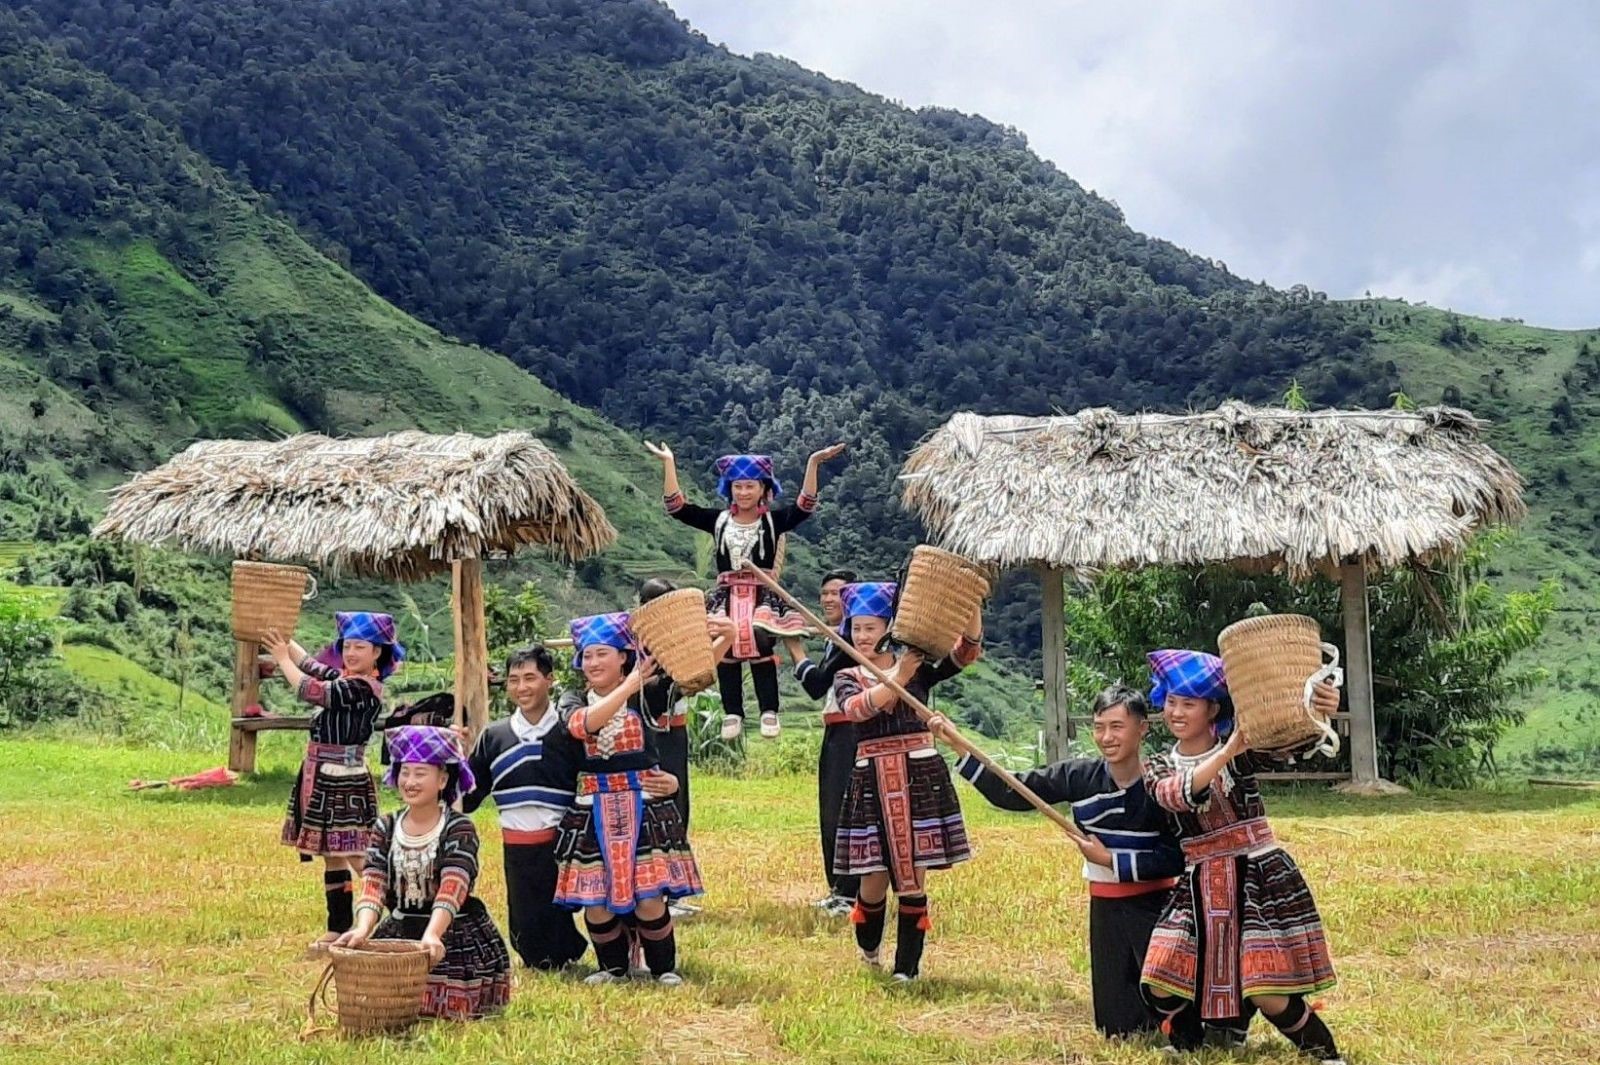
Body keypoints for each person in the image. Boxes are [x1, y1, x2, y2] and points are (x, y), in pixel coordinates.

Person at [936, 685, 1183, 1037]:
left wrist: (1111, 859)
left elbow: (1176, 856)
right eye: (1099, 727)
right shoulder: (1078, 777)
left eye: (1117, 726)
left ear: (1142, 728)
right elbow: (1014, 791)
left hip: (1157, 908)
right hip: (1106, 909)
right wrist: (959, 745)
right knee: (1116, 1028)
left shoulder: (1163, 782)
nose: (1106, 737)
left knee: (1173, 1016)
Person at [1140, 649, 1346, 1064]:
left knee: (1268, 989)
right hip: (1199, 882)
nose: (1176, 712)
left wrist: (1321, 708)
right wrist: (1228, 749)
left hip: (1258, 874)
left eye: (1189, 703)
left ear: (1212, 708)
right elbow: (1177, 795)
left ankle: (1327, 1056)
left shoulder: (1244, 752)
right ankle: (1194, 1040)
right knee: (1160, 978)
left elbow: (1293, 740)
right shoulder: (1159, 765)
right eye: (1171, 702)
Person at [831, 581, 982, 981]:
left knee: (914, 875)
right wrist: (900, 672)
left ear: (889, 627)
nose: (862, 636)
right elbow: (858, 709)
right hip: (872, 777)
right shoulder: (847, 674)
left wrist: (971, 603)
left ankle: (907, 969)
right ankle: (869, 949)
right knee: (874, 879)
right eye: (857, 628)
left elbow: (965, 651)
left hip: (919, 775)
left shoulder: (918, 666)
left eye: (870, 627)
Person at [647, 440, 846, 740]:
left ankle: (769, 709)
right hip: (726, 594)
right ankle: (733, 712)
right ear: (729, 488)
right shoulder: (718, 520)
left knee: (760, 639)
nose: (743, 492)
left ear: (764, 489)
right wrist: (669, 464)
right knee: (724, 645)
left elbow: (804, 506)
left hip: (761, 594)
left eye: (750, 486)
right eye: (737, 486)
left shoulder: (773, 521)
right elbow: (677, 508)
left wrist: (813, 464)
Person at [553, 612, 702, 985]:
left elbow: (696, 675)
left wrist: (726, 636)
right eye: (586, 656)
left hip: (644, 806)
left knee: (650, 896)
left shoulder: (647, 694)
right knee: (596, 901)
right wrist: (630, 684)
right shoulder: (573, 698)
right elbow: (582, 725)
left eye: (602, 653)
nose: (592, 663)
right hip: (593, 810)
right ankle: (613, 968)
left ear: (623, 656)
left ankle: (663, 968)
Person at [335, 726, 512, 1020]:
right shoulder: (386, 826)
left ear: (442, 779)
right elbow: (373, 880)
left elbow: (454, 884)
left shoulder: (458, 828)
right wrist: (363, 928)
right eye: (405, 772)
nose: (410, 781)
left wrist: (432, 934)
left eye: (420, 773)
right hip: (401, 929)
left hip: (451, 932)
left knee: (440, 1013)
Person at [264, 611, 403, 952]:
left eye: (360, 646)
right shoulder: (348, 678)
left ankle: (401, 915)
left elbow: (312, 690)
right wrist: (284, 638)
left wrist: (281, 658)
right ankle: (337, 925)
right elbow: (313, 666)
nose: (352, 652)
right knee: (332, 854)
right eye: (348, 646)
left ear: (377, 653)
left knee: (356, 853)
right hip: (323, 773)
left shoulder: (362, 687)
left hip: (345, 780)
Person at [462, 644, 589, 970]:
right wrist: (450, 765)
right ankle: (535, 955)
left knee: (560, 905)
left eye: (530, 678)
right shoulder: (494, 736)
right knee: (525, 909)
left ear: (550, 679)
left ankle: (570, 950)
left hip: (563, 841)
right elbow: (469, 796)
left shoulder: (567, 732)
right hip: (516, 841)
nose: (522, 687)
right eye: (514, 679)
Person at [782, 568, 861, 915]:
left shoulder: (852, 641)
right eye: (826, 593)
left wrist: (795, 648)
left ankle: (848, 892)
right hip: (836, 731)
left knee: (843, 809)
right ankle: (839, 888)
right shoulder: (836, 638)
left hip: (851, 731)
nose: (829, 599)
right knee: (830, 809)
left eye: (838, 593)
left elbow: (817, 686)